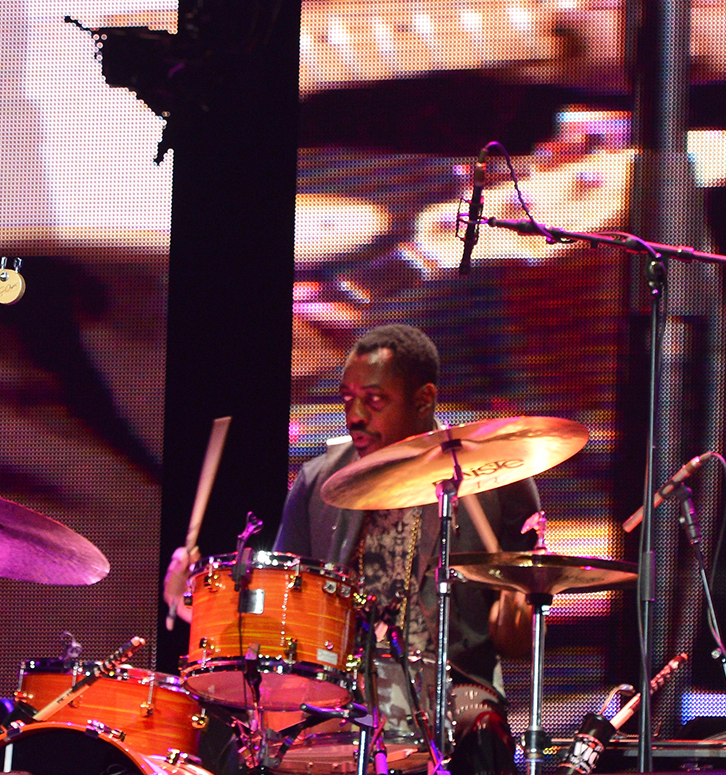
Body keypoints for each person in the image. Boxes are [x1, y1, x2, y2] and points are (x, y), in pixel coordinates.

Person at [164, 323, 538, 774]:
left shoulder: (495, 481)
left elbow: (516, 640)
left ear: (424, 399)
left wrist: (520, 608)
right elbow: (282, 617)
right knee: (241, 744)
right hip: (339, 689)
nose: (355, 414)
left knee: (481, 733)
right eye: (347, 397)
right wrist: (196, 599)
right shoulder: (320, 482)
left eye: (374, 400)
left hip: (454, 685)